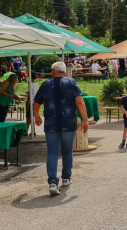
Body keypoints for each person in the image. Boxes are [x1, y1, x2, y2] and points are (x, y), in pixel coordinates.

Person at [33, 61, 89, 196]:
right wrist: (85, 119)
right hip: (69, 123)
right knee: (67, 151)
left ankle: (52, 182)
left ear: (53, 71)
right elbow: (80, 101)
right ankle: (66, 178)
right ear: (64, 71)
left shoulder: (46, 84)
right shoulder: (71, 83)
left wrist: (37, 116)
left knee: (52, 152)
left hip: (51, 124)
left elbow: (35, 103)